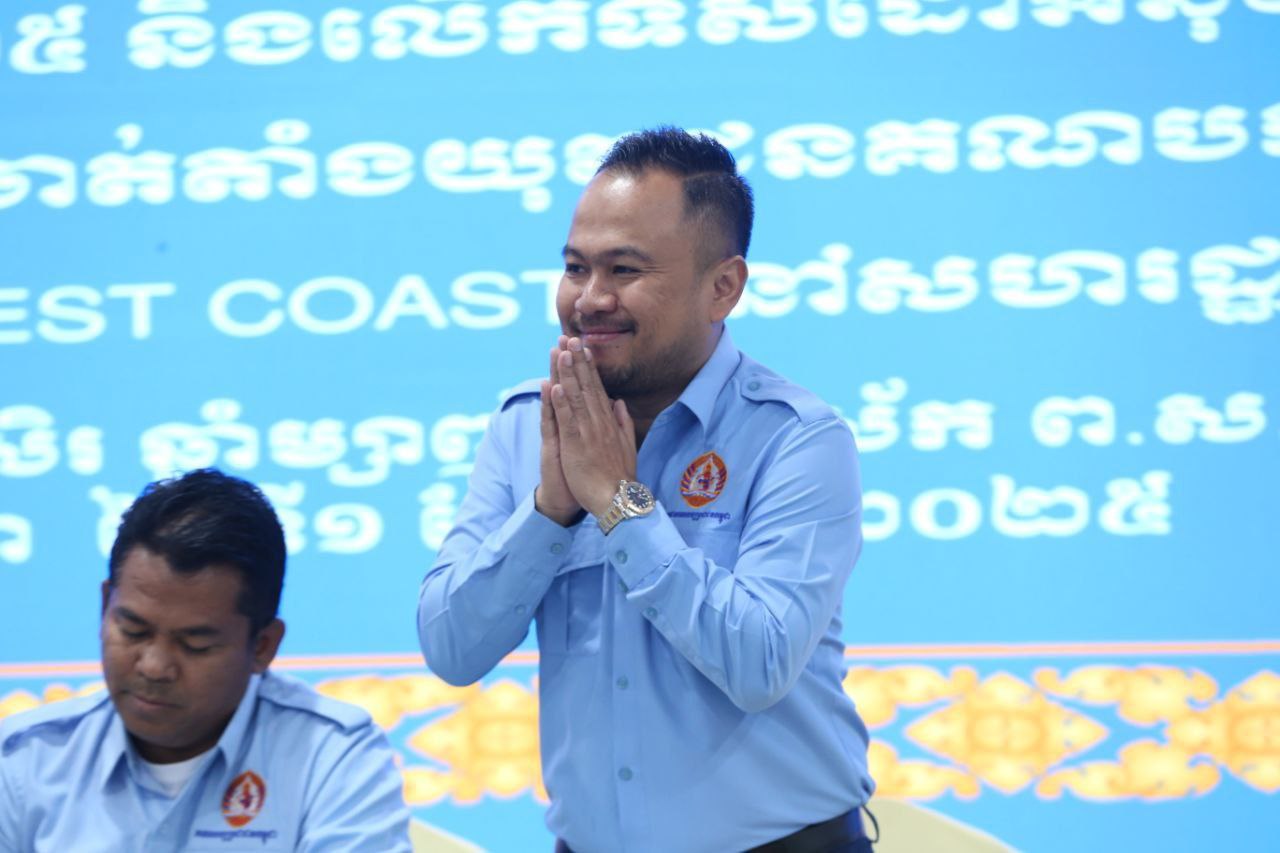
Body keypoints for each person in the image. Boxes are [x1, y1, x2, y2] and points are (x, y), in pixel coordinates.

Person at [418, 127, 874, 852]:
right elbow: (451, 646)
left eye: (624, 270)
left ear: (723, 287)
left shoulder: (798, 439)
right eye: (575, 268)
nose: (590, 299)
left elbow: (759, 663)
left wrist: (619, 503)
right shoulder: (527, 425)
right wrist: (551, 510)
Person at [0, 468, 412, 851]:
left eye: (194, 644)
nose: (154, 666)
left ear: (263, 646)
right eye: (133, 631)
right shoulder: (23, 761)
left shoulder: (332, 758)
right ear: (105, 604)